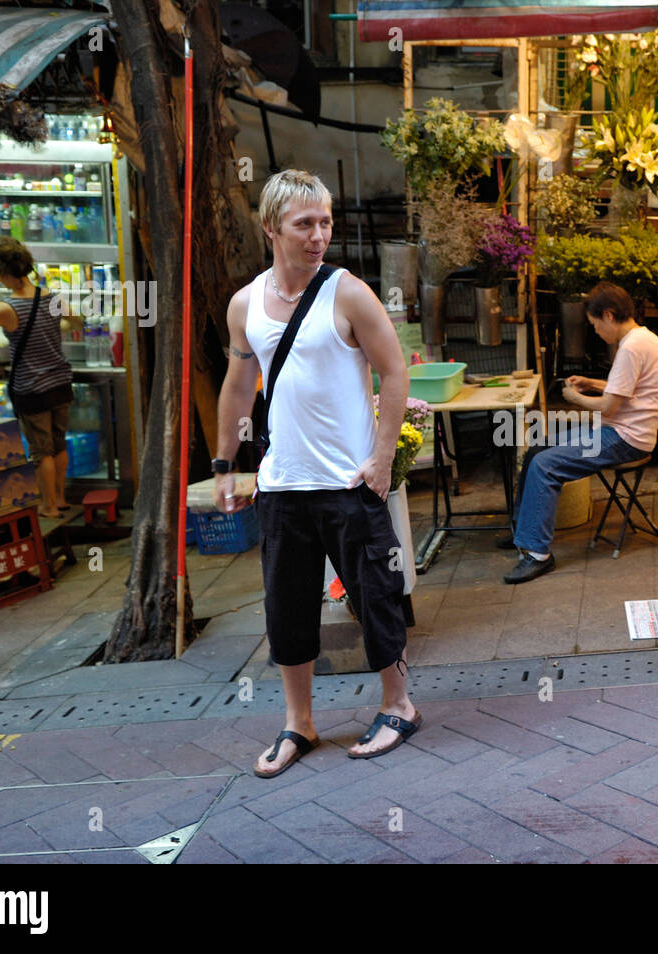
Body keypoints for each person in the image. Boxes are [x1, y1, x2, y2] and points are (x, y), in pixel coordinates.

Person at [213, 170, 418, 777]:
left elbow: (395, 371)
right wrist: (225, 466)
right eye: (305, 224)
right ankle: (298, 723)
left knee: (376, 597)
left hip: (349, 483)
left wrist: (381, 458)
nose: (319, 235)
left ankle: (398, 705)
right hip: (282, 486)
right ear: (272, 227)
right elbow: (237, 385)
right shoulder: (245, 304)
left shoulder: (348, 293)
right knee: (287, 610)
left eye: (326, 222)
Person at [503, 281, 658, 584]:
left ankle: (538, 555)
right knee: (538, 449)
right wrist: (591, 383)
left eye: (595, 324)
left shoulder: (632, 347)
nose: (595, 331)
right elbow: (623, 391)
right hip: (621, 430)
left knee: (545, 464)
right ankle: (524, 532)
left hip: (626, 439)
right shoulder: (642, 340)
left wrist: (575, 399)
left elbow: (608, 407)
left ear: (608, 315)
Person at [0, 237, 78, 518]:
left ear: (3, 273)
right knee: (58, 444)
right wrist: (54, 329)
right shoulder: (51, 297)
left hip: (32, 388)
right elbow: (76, 321)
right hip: (60, 382)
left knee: (40, 451)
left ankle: (47, 506)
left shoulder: (4, 309)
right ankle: (59, 498)